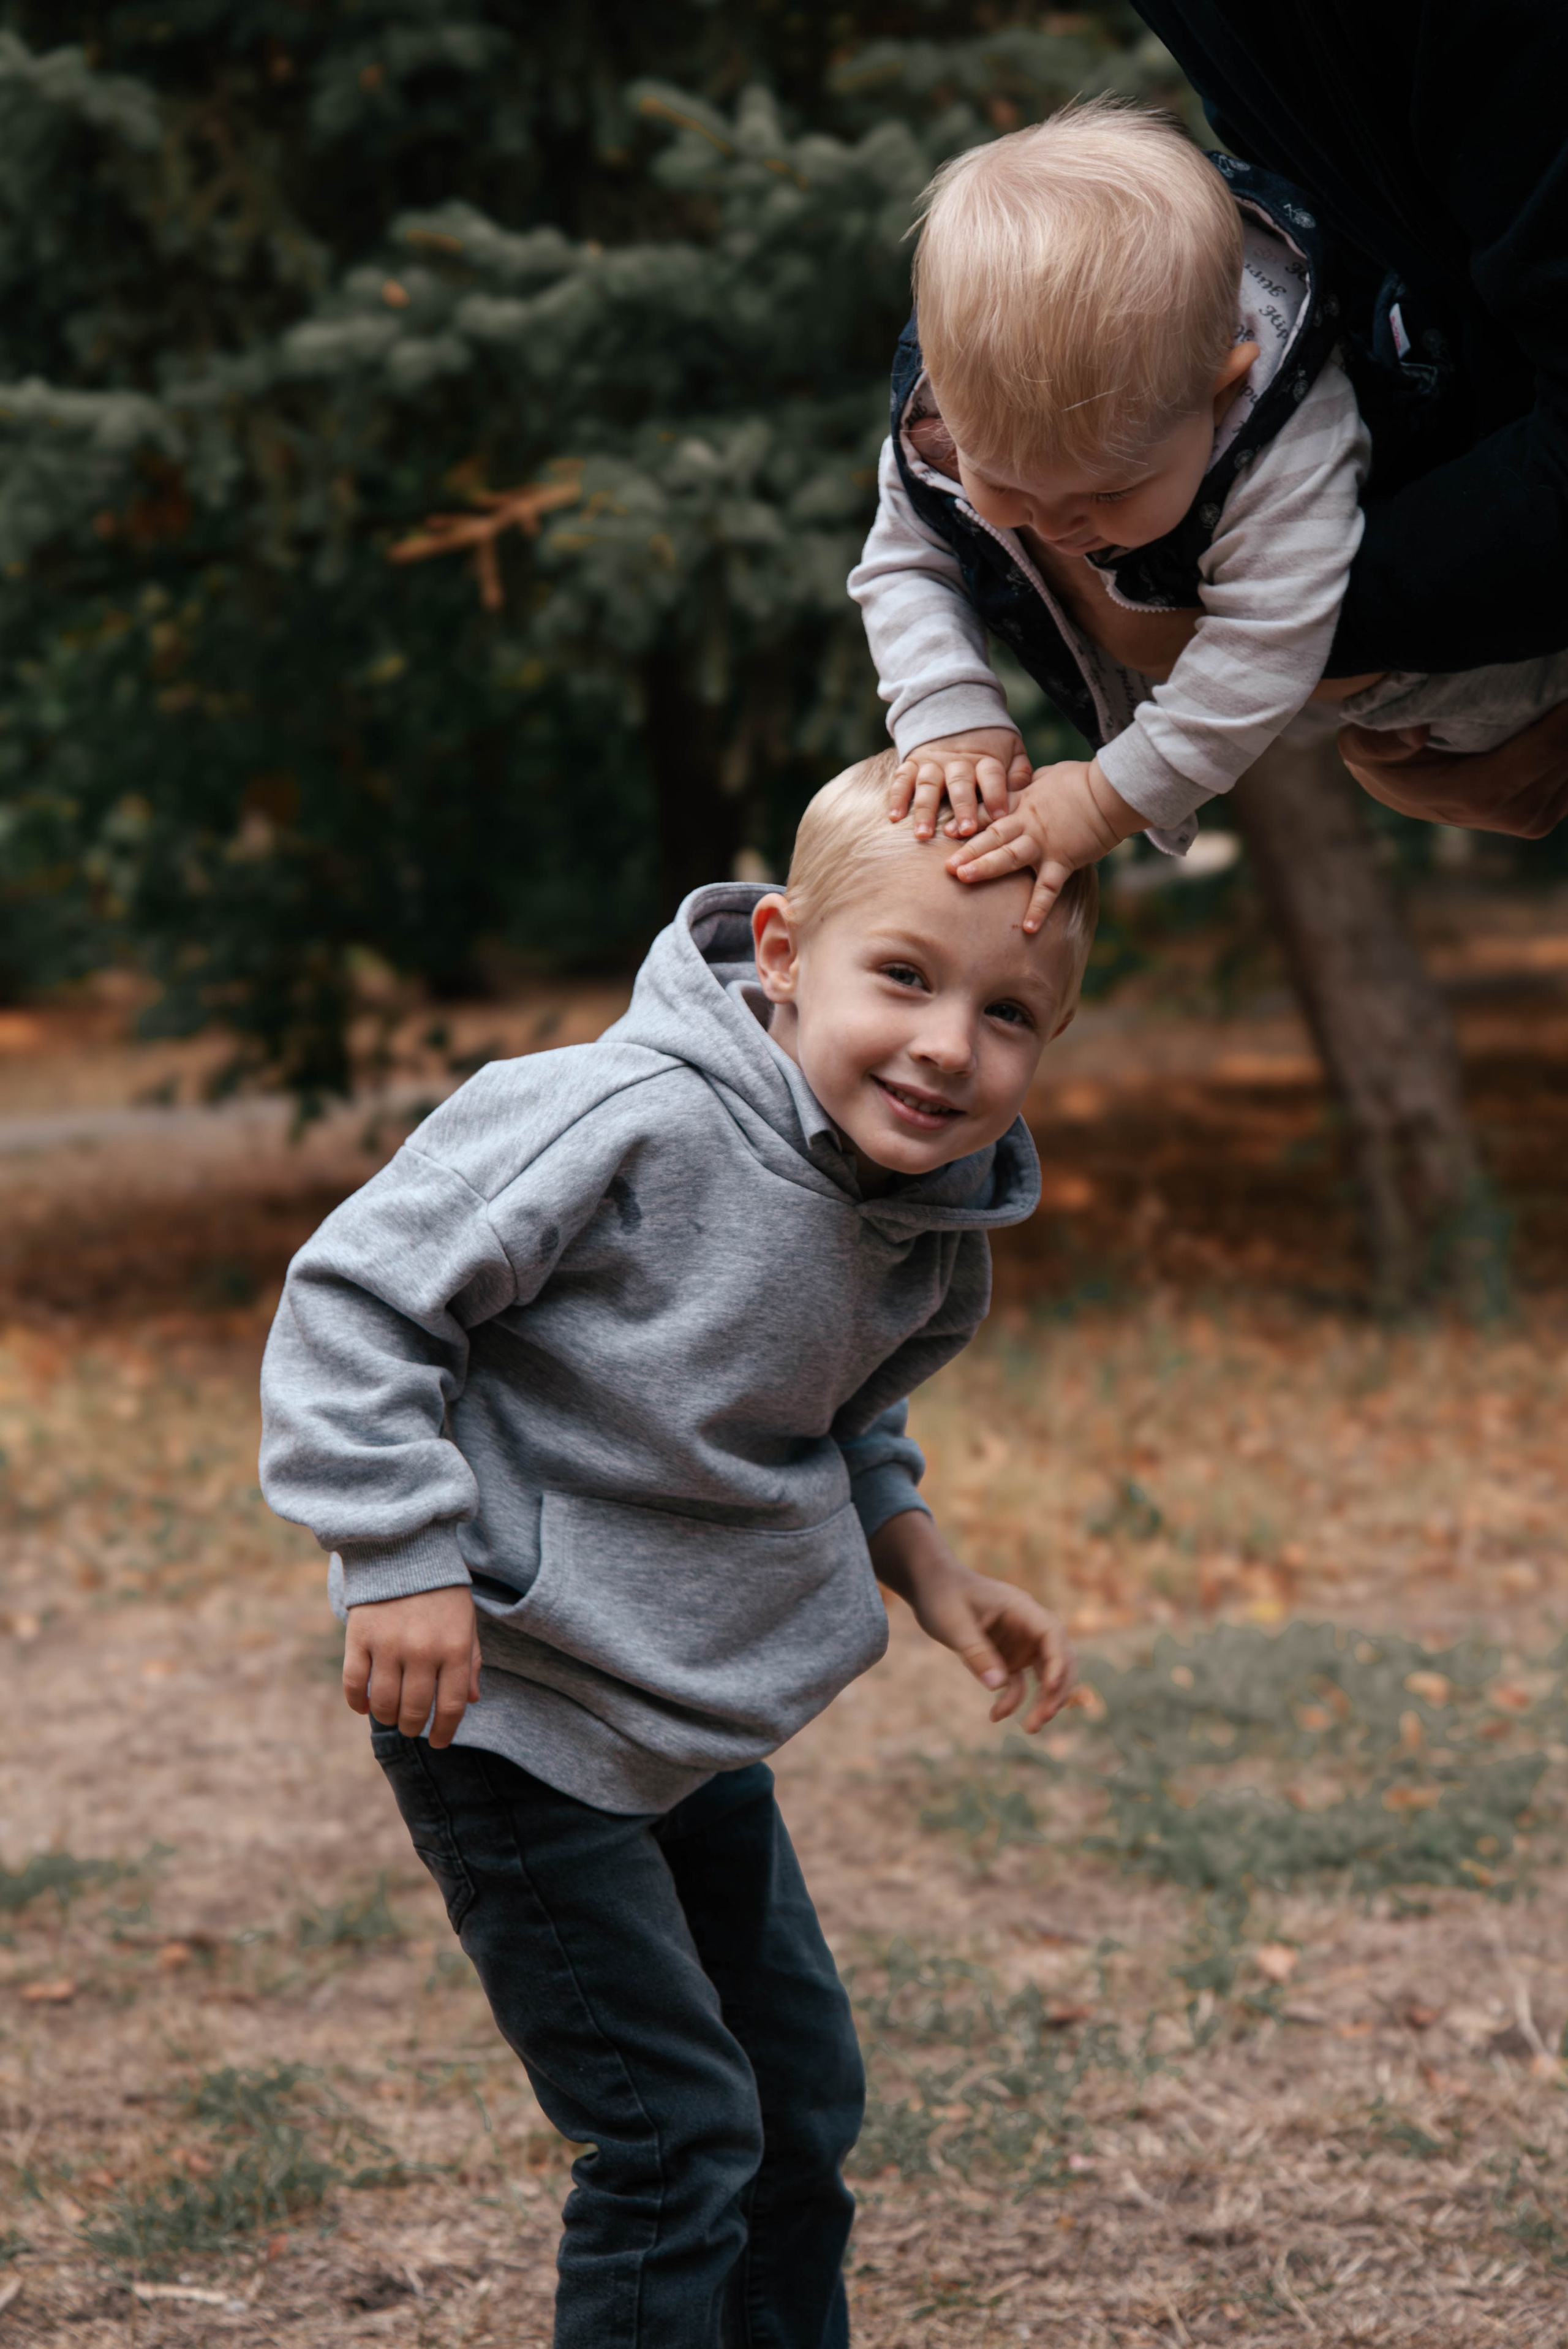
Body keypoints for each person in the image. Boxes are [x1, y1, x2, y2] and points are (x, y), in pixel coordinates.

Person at [258, 751, 1088, 2349]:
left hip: (686, 1701)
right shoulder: (619, 1116)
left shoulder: (914, 1209)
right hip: (511, 1703)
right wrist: (400, 1552)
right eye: (904, 977)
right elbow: (363, 1294)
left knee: (793, 2095)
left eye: (1008, 1015)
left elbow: (834, 1409)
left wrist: (928, 1566)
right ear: (781, 954)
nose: (946, 1046)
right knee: (674, 2131)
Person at [848, 101, 1568, 933]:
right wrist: (950, 717)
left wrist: (1105, 798)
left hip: (1465, 663)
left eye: (1109, 492)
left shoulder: (1288, 427)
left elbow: (1271, 638)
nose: (1053, 526)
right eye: (1003, 485)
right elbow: (907, 559)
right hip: (1304, 694)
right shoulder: (957, 410)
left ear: (1224, 390)